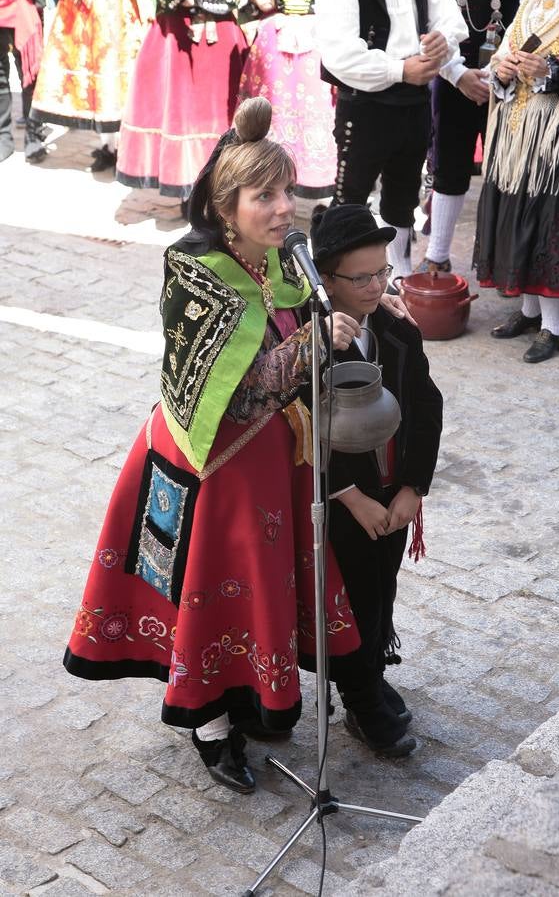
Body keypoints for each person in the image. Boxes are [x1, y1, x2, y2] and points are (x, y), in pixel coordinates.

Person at [63, 97, 376, 795]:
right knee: (206, 593)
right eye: (264, 195)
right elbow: (238, 394)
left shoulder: (284, 266)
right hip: (210, 469)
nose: (283, 207)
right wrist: (309, 345)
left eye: (286, 191)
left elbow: (297, 345)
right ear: (226, 205)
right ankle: (207, 725)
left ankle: (253, 695)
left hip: (271, 466)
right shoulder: (197, 276)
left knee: (256, 591)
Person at [310, 203, 443, 757]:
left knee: (381, 586)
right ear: (326, 280)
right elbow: (302, 423)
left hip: (392, 494)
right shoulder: (311, 342)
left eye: (382, 272)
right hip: (338, 500)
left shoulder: (395, 329)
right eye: (359, 277)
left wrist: (413, 487)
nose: (374, 286)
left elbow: (426, 407)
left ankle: (369, 671)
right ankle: (360, 696)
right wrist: (349, 495)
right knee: (348, 597)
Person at [473, 0, 559, 363]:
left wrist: (552, 74)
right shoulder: (528, 5)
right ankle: (530, 313)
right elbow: (499, 59)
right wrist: (502, 71)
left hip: (557, 140)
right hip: (514, 137)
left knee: (546, 224)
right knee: (516, 218)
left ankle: (553, 327)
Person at [314, 0, 468, 280]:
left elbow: (449, 18)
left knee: (404, 196)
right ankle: (335, 284)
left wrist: (441, 40)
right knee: (350, 199)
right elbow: (338, 53)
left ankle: (399, 277)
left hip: (414, 101)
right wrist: (399, 70)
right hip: (364, 104)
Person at [415, 0, 520, 273]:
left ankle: (506, 262)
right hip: (451, 80)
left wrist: (495, 73)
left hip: (513, 81)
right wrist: (458, 74)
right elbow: (427, 27)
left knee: (507, 172)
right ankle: (437, 254)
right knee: (449, 167)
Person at [116, 0, 248, 213]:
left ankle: (218, 191)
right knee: (180, 112)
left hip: (221, 32)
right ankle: (189, 189)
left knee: (217, 116)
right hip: (173, 31)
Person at [30, 0, 150, 172]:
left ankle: (123, 149)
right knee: (97, 79)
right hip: (84, 11)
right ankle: (109, 147)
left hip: (113, 11)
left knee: (112, 73)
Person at [238, 0, 337, 201]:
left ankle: (315, 179)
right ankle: (269, 174)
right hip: (276, 32)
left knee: (319, 101)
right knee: (273, 103)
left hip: (319, 33)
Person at [0, 0, 45, 163]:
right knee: (0, 80)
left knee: (30, 75)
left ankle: (33, 135)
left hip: (24, 6)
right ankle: (3, 137)